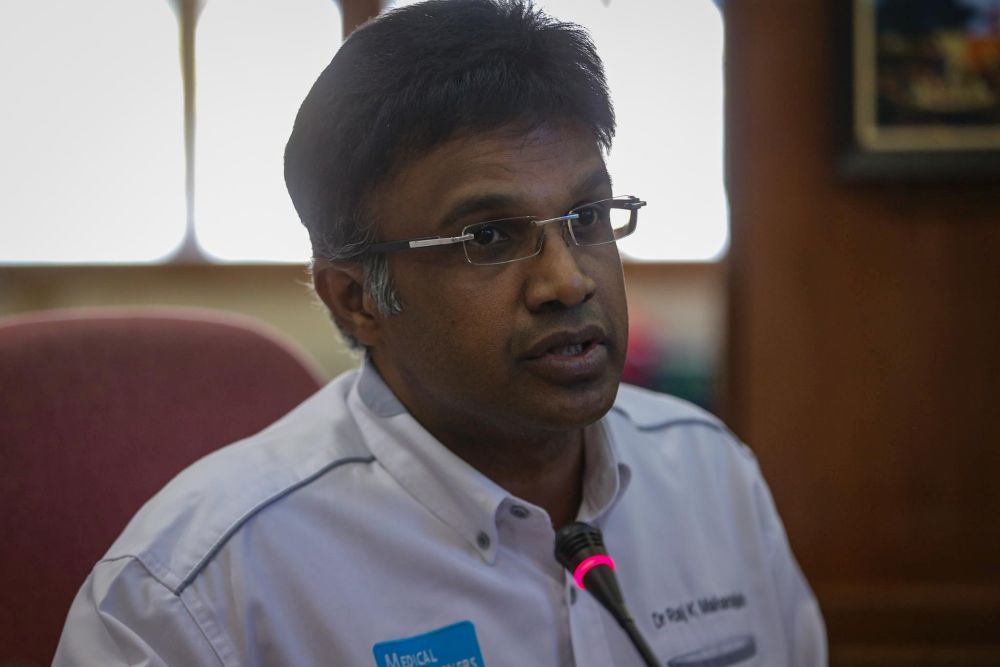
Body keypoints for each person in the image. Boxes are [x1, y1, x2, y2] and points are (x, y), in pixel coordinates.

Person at [54, 1, 826, 665]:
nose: (569, 280)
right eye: (488, 237)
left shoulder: (712, 479)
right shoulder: (196, 593)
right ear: (356, 298)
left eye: (587, 218)